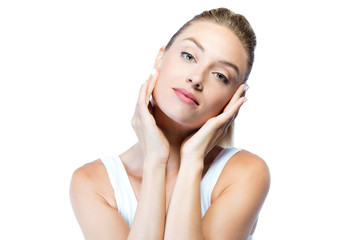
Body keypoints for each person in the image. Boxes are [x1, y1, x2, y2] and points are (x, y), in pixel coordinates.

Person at [70, 7, 270, 240]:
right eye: (189, 56)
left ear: (233, 100)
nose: (196, 78)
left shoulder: (245, 173)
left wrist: (192, 160)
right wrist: (155, 160)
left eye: (220, 75)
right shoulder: (93, 183)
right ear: (160, 58)